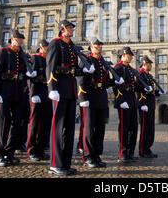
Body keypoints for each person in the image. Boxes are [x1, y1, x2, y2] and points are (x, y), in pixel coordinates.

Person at [46, 20, 90, 176]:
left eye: (72, 27)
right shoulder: (55, 43)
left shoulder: (71, 46)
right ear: (62, 29)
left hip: (71, 91)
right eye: (70, 27)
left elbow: (74, 70)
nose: (72, 29)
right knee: (58, 128)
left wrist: (83, 69)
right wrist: (52, 88)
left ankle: (65, 163)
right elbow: (51, 67)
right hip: (59, 90)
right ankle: (55, 164)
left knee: (70, 128)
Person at [0, 29, 36, 167]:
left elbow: (24, 73)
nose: (20, 41)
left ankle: (9, 153)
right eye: (18, 38)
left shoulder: (23, 55)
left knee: (17, 124)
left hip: (18, 92)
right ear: (12, 39)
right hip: (5, 91)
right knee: (3, 124)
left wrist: (30, 74)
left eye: (22, 39)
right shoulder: (4, 53)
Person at [78, 38, 120, 168]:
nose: (98, 47)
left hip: (101, 96)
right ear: (91, 47)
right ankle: (88, 156)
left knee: (100, 128)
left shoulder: (102, 62)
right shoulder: (87, 60)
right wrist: (82, 98)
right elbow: (79, 79)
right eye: (96, 45)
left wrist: (115, 82)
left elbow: (106, 81)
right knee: (89, 128)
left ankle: (96, 154)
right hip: (89, 96)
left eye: (100, 45)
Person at [113, 47, 151, 163]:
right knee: (124, 128)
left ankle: (130, 152)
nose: (131, 57)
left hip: (132, 99)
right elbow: (116, 85)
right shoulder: (118, 68)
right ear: (123, 55)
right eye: (129, 55)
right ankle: (123, 153)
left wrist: (145, 88)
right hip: (124, 99)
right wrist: (120, 100)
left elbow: (135, 85)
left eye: (131, 55)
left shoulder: (131, 69)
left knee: (133, 128)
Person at [27, 40, 52, 161]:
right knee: (35, 123)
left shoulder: (49, 60)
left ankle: (41, 149)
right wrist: (33, 93)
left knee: (46, 123)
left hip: (47, 94)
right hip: (37, 93)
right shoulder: (35, 59)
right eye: (46, 47)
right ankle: (32, 150)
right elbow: (30, 77)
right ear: (40, 48)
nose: (48, 48)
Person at [137, 56, 164, 158]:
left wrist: (158, 92)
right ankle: (143, 150)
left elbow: (150, 91)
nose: (151, 65)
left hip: (151, 105)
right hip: (145, 105)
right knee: (145, 129)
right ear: (144, 64)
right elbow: (139, 91)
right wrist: (142, 104)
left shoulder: (149, 76)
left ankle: (148, 148)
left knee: (150, 129)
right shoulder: (140, 75)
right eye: (149, 63)